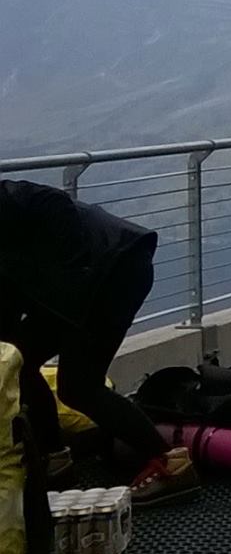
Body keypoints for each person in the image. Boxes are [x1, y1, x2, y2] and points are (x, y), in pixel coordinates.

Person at [0, 180, 199, 506]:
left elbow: (54, 201)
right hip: (91, 279)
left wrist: (72, 274)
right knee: (18, 362)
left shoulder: (5, 200)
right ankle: (56, 461)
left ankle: (171, 465)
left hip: (113, 269)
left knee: (79, 386)